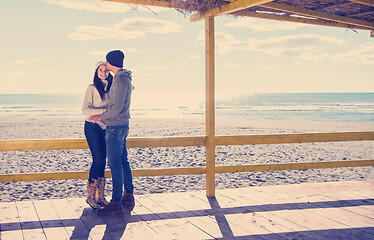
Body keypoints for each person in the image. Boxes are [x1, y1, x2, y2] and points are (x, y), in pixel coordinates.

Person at [89, 50, 134, 215]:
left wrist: (100, 117)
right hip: (121, 125)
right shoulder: (122, 78)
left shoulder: (121, 80)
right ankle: (128, 195)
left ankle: (116, 200)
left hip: (116, 127)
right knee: (122, 161)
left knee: (115, 164)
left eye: (107, 63)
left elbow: (116, 109)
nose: (105, 65)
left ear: (110, 62)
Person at [82, 61, 113, 209]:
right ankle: (90, 197)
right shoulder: (92, 88)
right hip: (92, 126)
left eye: (106, 70)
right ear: (96, 71)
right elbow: (85, 109)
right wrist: (103, 112)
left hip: (105, 127)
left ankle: (100, 197)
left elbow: (131, 88)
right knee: (98, 159)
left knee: (103, 161)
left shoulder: (112, 87)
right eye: (100, 70)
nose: (103, 73)